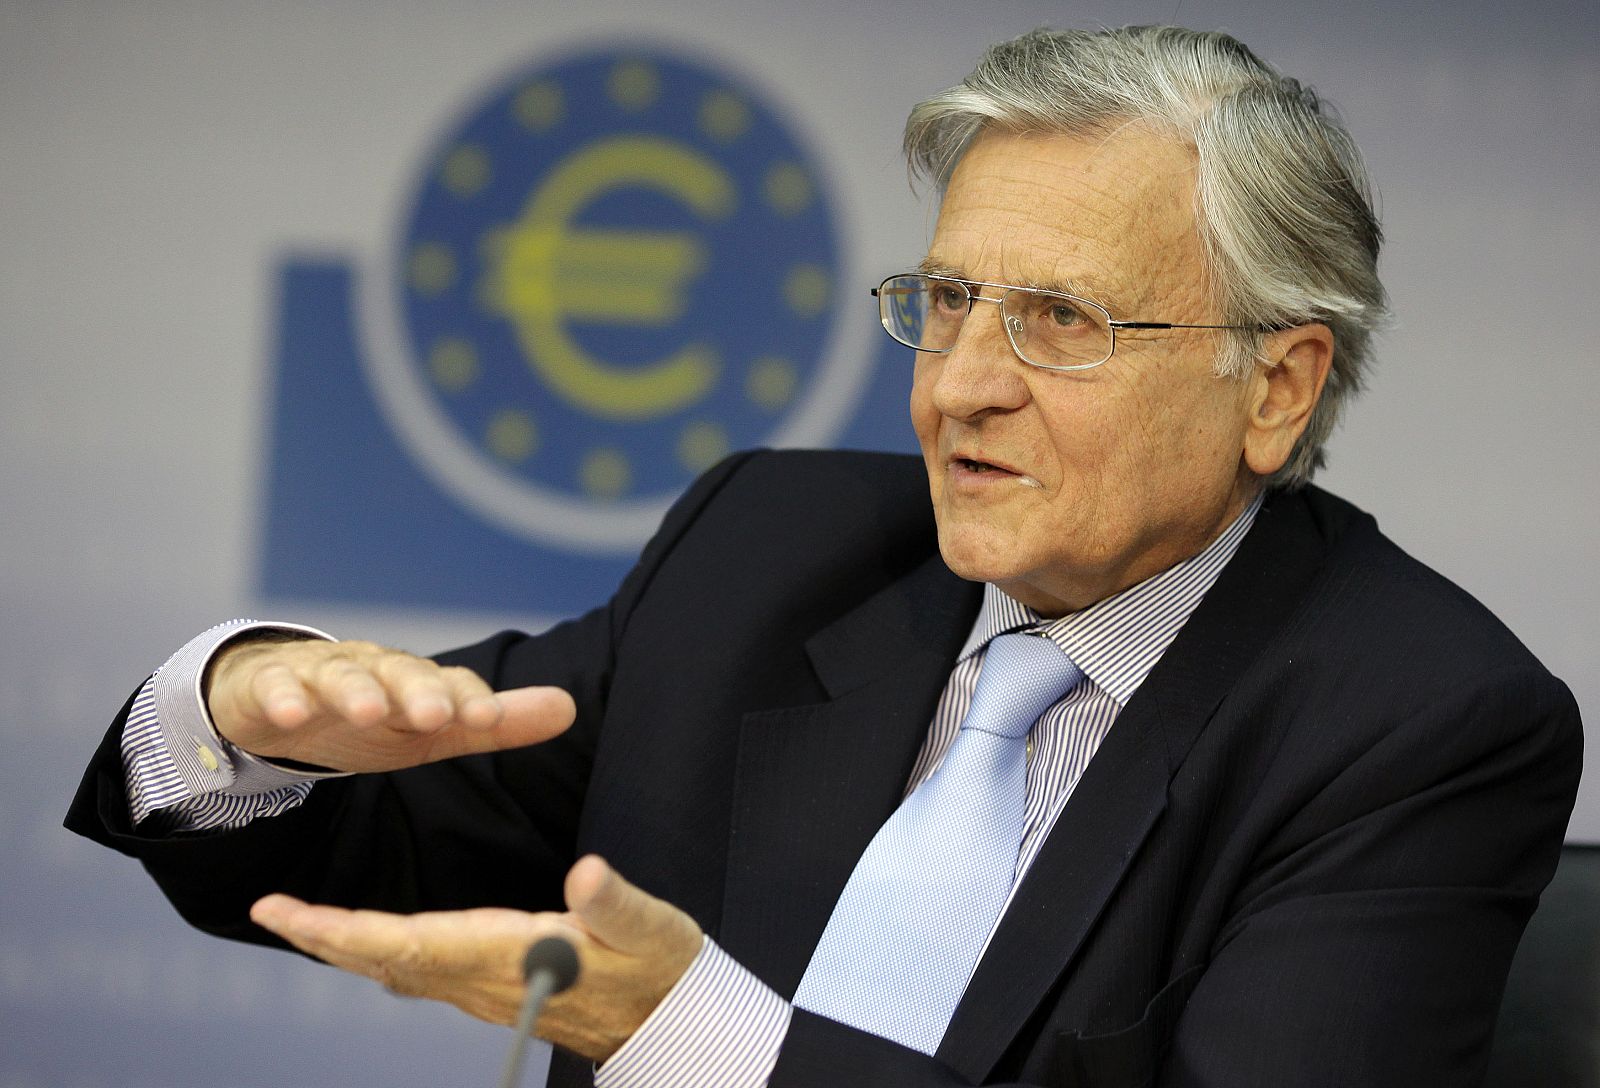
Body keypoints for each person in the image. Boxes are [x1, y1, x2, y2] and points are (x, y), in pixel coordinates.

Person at [67, 25, 1581, 1088]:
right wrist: (236, 711)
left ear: (1278, 387)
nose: (956, 385)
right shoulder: (779, 548)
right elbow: (359, 826)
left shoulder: (1418, 725)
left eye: (1058, 322)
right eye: (947, 301)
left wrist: (690, 1035)